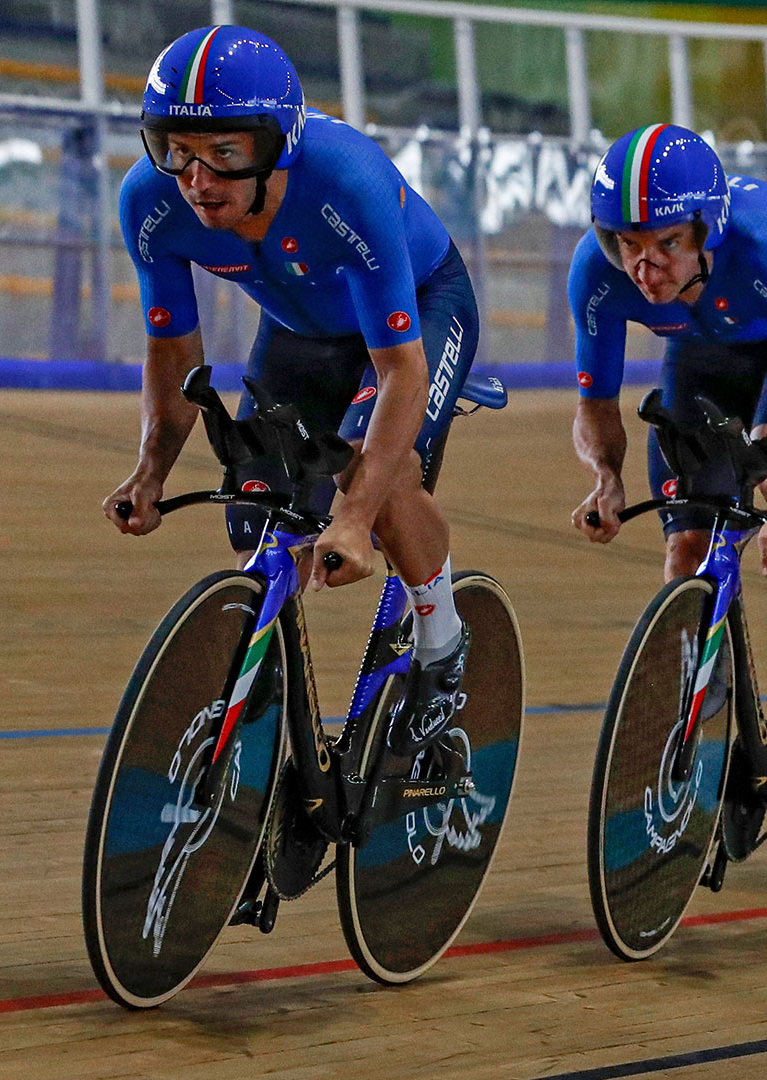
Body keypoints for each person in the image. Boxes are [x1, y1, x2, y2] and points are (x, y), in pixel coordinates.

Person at [105, 25, 477, 749]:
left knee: (379, 469)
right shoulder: (150, 202)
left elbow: (401, 370)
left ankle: (442, 634)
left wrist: (356, 516)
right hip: (301, 329)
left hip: (419, 313)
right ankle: (278, 725)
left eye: (226, 153)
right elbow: (174, 352)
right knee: (260, 518)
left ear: (278, 145)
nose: (198, 180)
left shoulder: (346, 185)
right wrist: (150, 472)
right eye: (177, 151)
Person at [568, 124, 767, 745]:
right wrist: (605, 479)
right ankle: (700, 688)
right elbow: (595, 404)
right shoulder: (597, 275)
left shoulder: (762, 250)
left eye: (668, 243)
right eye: (627, 244)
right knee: (686, 547)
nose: (645, 268)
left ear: (710, 230)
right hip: (703, 349)